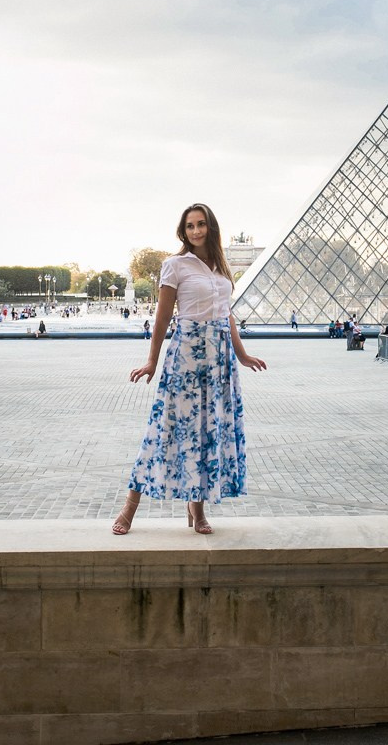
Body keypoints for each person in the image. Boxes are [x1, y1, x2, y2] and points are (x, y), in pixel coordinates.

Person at [112, 203, 266, 536]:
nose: (195, 231)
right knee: (163, 428)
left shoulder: (221, 269)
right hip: (185, 355)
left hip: (219, 360)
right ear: (184, 232)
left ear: (211, 227)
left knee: (207, 434)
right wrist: (152, 360)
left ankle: (197, 510)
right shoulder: (175, 266)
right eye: (190, 226)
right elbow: (163, 318)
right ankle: (130, 507)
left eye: (201, 224)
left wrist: (242, 355)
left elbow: (227, 315)